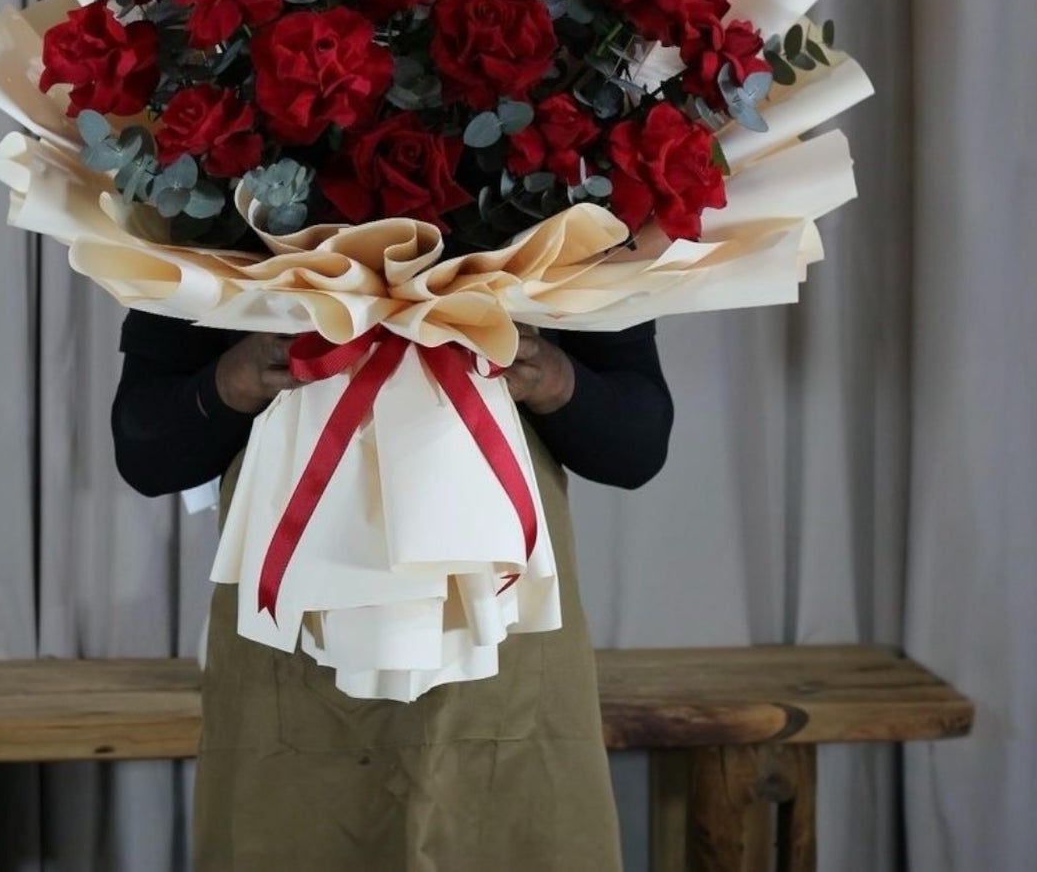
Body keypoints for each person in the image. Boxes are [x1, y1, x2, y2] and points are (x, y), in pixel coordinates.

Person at [113, 312, 674, 872]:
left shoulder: (570, 229)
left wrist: (554, 378)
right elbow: (145, 449)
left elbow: (637, 446)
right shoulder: (227, 234)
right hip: (291, 653)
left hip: (507, 649)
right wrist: (230, 382)